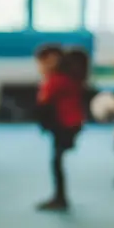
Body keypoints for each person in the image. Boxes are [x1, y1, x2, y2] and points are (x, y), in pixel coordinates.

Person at [34, 44, 87, 211]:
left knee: (56, 161)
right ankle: (60, 196)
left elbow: (42, 101)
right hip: (70, 123)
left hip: (65, 124)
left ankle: (60, 197)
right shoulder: (69, 78)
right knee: (57, 160)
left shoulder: (56, 80)